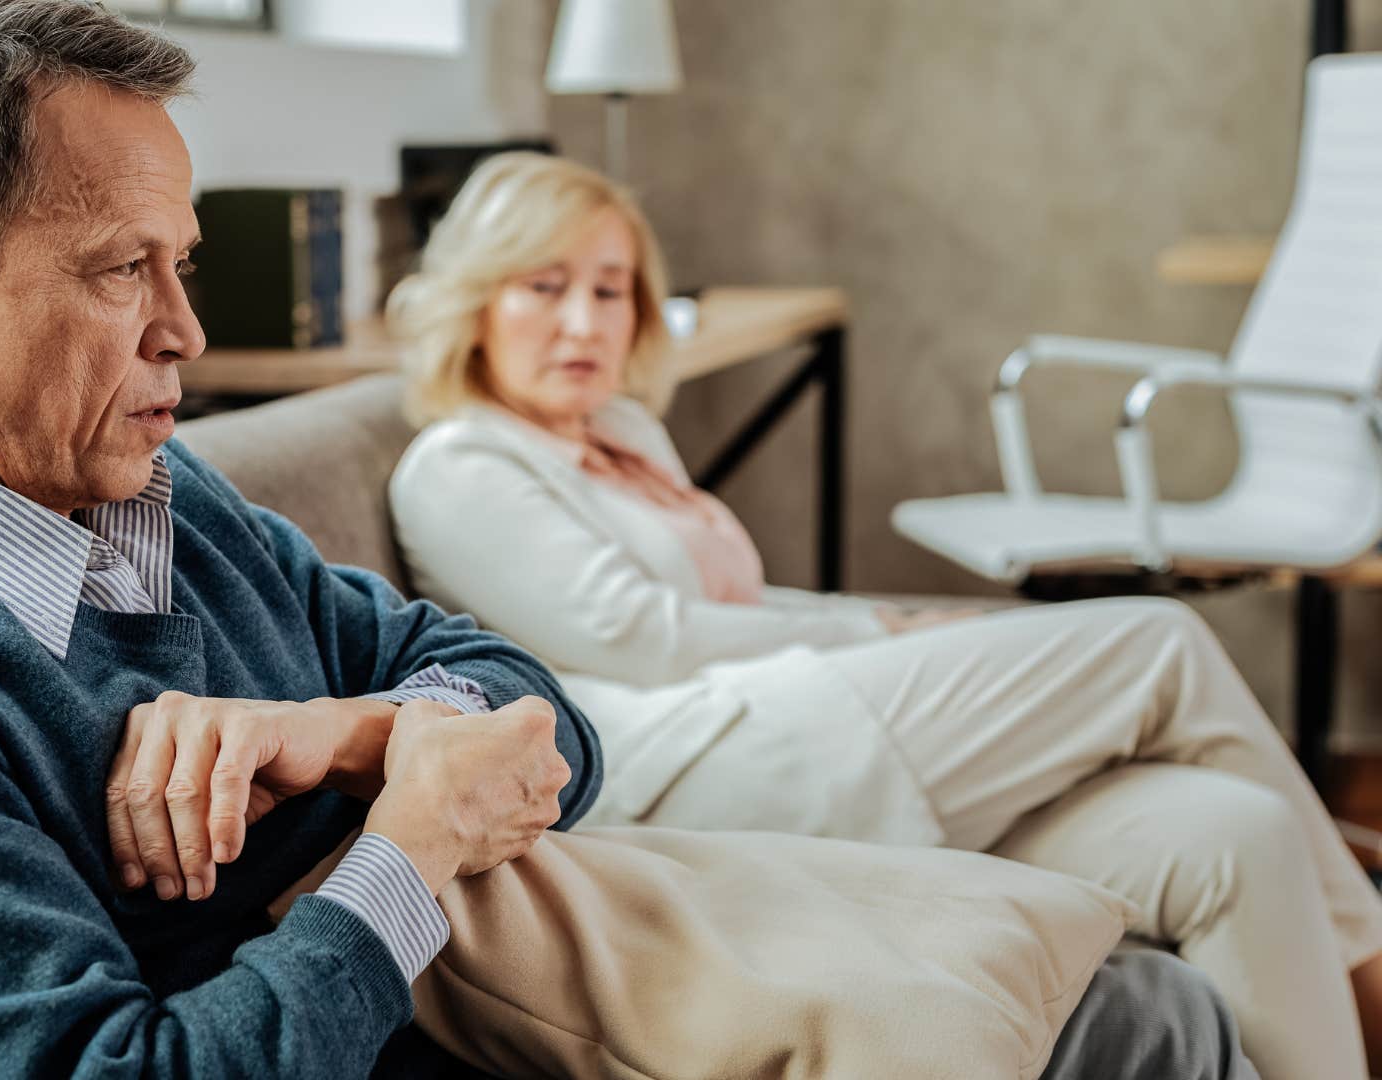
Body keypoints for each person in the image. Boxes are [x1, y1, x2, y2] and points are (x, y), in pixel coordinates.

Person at [0, 4, 1250, 1078]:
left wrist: (348, 732)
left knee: (1161, 998)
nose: (186, 329)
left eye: (184, 261)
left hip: (603, 984)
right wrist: (413, 841)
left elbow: (525, 704)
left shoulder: (157, 494)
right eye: (118, 270)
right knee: (1142, 1030)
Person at [386, 150, 1382, 1080]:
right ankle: (1375, 966)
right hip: (699, 770)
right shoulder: (462, 464)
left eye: (610, 290)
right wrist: (881, 634)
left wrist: (886, 615)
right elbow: (645, 638)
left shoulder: (621, 434)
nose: (585, 323)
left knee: (1235, 833)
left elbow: (733, 602)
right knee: (1158, 641)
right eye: (544, 287)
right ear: (477, 302)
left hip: (796, 722)